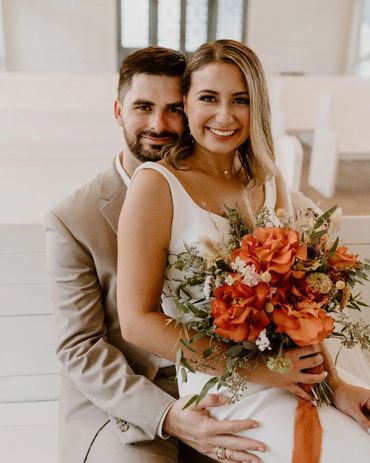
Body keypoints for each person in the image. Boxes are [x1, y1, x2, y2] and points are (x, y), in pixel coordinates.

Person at [117, 40, 370, 463]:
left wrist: (334, 385)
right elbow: (137, 323)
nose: (224, 116)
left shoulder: (270, 179)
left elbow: (301, 301)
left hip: (294, 367)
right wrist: (261, 371)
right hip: (225, 385)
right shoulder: (156, 185)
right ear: (186, 105)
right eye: (208, 99)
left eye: (241, 100)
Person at [45, 46, 266, 463]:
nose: (159, 125)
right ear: (118, 111)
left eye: (172, 110)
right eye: (143, 107)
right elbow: (80, 348)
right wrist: (166, 415)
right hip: (123, 401)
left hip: (218, 377)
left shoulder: (228, 192)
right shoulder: (72, 218)